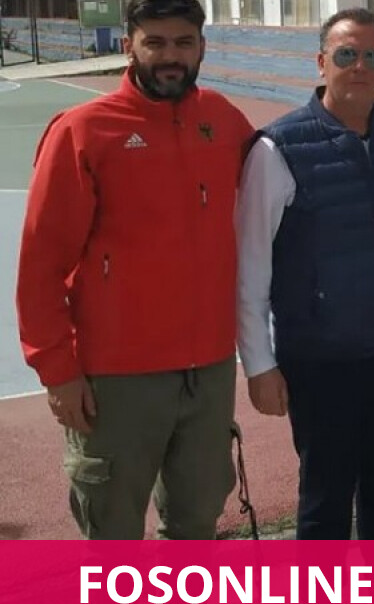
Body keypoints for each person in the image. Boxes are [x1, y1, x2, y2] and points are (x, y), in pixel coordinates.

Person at [16, 0, 254, 540]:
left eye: (183, 43)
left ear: (201, 47)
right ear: (130, 47)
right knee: (113, 533)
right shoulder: (83, 131)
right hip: (117, 378)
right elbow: (41, 264)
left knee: (196, 525)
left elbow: (283, 162)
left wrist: (354, 108)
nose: (171, 56)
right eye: (156, 43)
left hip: (209, 370)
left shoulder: (221, 119)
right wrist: (58, 372)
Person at [235, 8, 374, 540]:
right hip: (322, 363)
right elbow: (251, 264)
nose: (361, 66)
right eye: (347, 54)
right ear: (321, 63)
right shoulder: (277, 147)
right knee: (325, 502)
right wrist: (259, 364)